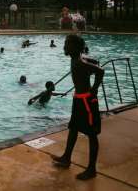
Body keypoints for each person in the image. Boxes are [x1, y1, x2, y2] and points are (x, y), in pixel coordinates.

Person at [53, 34, 104, 180]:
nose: (64, 47)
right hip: (78, 100)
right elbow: (96, 63)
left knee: (91, 134)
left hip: (86, 101)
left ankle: (91, 169)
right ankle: (66, 158)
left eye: (67, 44)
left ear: (75, 48)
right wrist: (92, 62)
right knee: (73, 128)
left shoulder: (79, 63)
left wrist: (94, 89)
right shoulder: (76, 59)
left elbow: (100, 71)